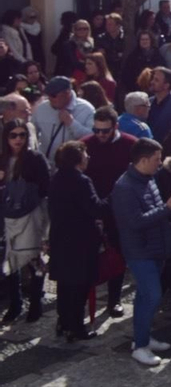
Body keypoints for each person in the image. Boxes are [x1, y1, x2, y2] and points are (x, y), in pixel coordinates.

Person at [112, 138, 171, 365]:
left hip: (154, 248)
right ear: (143, 160)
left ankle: (142, 339)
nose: (160, 163)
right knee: (152, 295)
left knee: (145, 296)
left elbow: (153, 209)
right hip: (139, 251)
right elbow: (135, 221)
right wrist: (168, 208)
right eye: (156, 159)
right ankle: (140, 346)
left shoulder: (148, 178)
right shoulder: (124, 187)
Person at [46, 140, 105, 341]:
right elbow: (95, 208)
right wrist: (112, 200)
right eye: (85, 154)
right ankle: (76, 327)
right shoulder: (82, 181)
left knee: (64, 285)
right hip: (81, 242)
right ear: (78, 158)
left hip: (61, 238)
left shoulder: (56, 178)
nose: (88, 157)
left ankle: (63, 322)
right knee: (80, 286)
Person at [2, 116, 51, 322]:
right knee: (10, 259)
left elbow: (45, 188)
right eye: (13, 135)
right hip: (7, 215)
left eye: (22, 135)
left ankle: (36, 302)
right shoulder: (3, 159)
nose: (18, 139)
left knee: (33, 257)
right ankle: (16, 303)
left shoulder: (35, 159)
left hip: (31, 214)